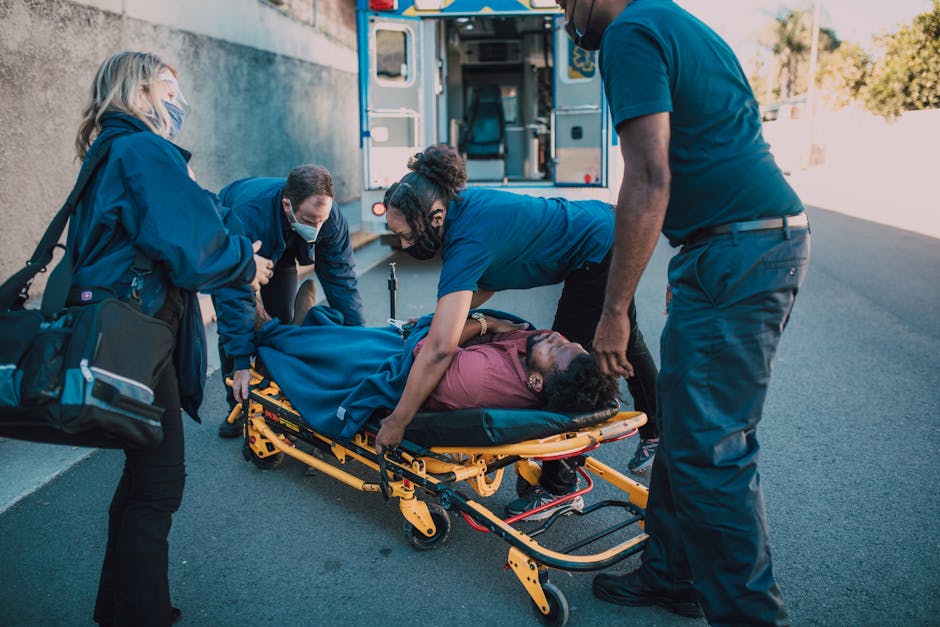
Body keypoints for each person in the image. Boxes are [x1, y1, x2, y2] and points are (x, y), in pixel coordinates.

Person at [556, 0, 811, 623]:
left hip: (737, 247)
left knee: (711, 449)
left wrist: (616, 309)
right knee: (685, 426)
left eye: (565, 0)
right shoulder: (678, 23)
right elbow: (717, 142)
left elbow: (648, 174)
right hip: (730, 246)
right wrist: (695, 261)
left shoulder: (629, 32)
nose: (565, 13)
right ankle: (671, 573)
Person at [68, 52, 273, 626]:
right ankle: (139, 615)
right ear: (139, 91)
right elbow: (189, 244)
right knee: (158, 482)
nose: (178, 101)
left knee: (142, 477)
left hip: (122, 329)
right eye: (168, 88)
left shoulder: (108, 150)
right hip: (140, 333)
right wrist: (244, 264)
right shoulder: (142, 150)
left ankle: (122, 609)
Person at [378, 144, 661, 516]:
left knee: (564, 371)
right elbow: (482, 285)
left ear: (435, 217)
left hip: (598, 250)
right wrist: (438, 317)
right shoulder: (463, 209)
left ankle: (561, 487)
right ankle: (657, 431)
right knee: (627, 338)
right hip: (606, 228)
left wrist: (398, 421)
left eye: (406, 236)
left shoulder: (467, 239)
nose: (403, 244)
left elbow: (440, 350)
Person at [213, 167, 365, 437]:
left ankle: (274, 399)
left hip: (284, 249)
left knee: (279, 322)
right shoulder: (246, 215)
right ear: (288, 205)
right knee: (240, 326)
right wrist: (240, 361)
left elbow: (342, 280)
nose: (317, 229)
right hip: (237, 245)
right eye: (310, 219)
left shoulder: (330, 219)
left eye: (322, 220)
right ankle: (237, 407)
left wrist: (357, 342)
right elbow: (232, 296)